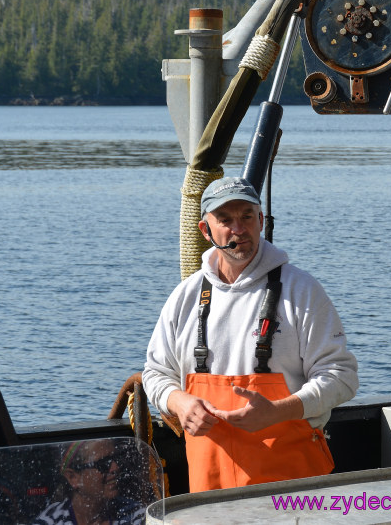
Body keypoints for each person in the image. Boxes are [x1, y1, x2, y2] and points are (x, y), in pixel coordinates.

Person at [143, 177, 358, 491]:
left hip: (294, 491)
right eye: (225, 220)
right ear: (206, 230)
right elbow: (155, 373)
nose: (238, 229)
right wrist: (179, 402)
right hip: (208, 493)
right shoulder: (184, 297)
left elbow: (342, 377)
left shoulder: (302, 290)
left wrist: (278, 412)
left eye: (246, 216)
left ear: (260, 221)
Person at [31, 440, 144, 525]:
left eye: (116, 459)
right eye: (103, 464)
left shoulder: (136, 515)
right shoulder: (49, 521)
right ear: (73, 478)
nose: (116, 467)